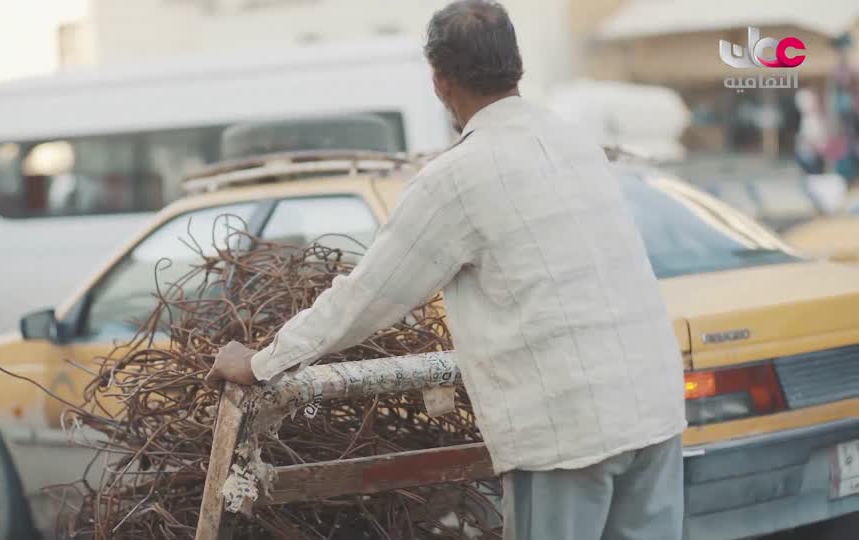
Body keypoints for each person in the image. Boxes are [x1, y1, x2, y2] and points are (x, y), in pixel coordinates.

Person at [206, 1, 686, 538]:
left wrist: (263, 362)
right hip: (654, 410)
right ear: (517, 63)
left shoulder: (456, 178)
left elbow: (368, 296)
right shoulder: (578, 144)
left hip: (567, 433)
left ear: (440, 81)